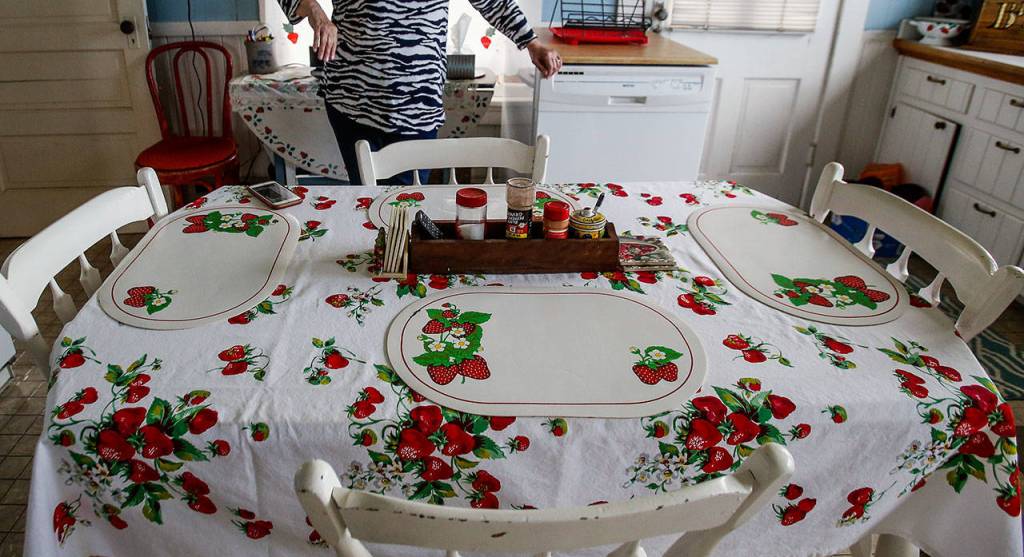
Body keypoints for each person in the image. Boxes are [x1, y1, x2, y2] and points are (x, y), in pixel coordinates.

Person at [276, 0, 562, 184]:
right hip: (352, 98)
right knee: (364, 198)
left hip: (417, 105)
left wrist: (531, 43)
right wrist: (315, 12)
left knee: (407, 203)